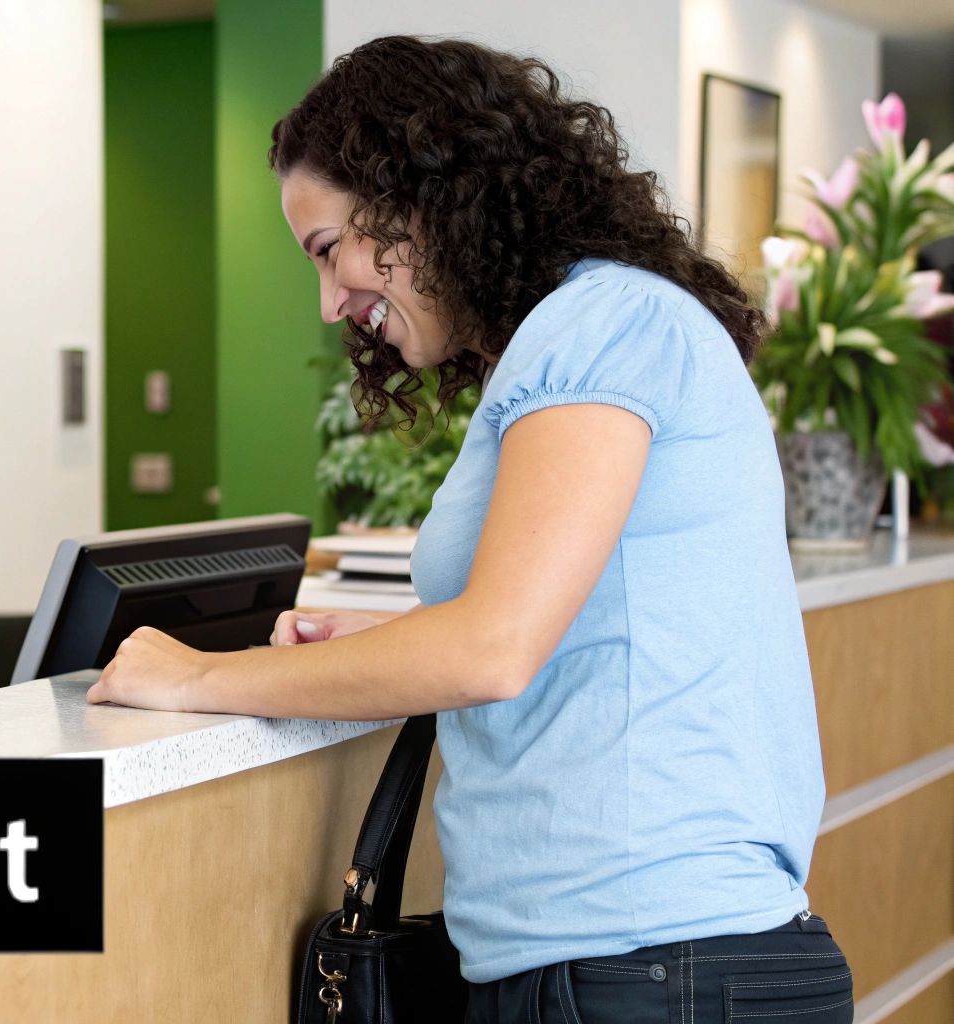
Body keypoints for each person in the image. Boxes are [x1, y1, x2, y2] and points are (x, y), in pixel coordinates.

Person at [85, 37, 852, 1022]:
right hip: (632, 962)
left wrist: (193, 675)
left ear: (418, 196)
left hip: (649, 964)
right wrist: (391, 642)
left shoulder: (600, 327)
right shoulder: (587, 330)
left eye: (329, 252)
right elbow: (569, 623)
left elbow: (491, 648)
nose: (330, 304)